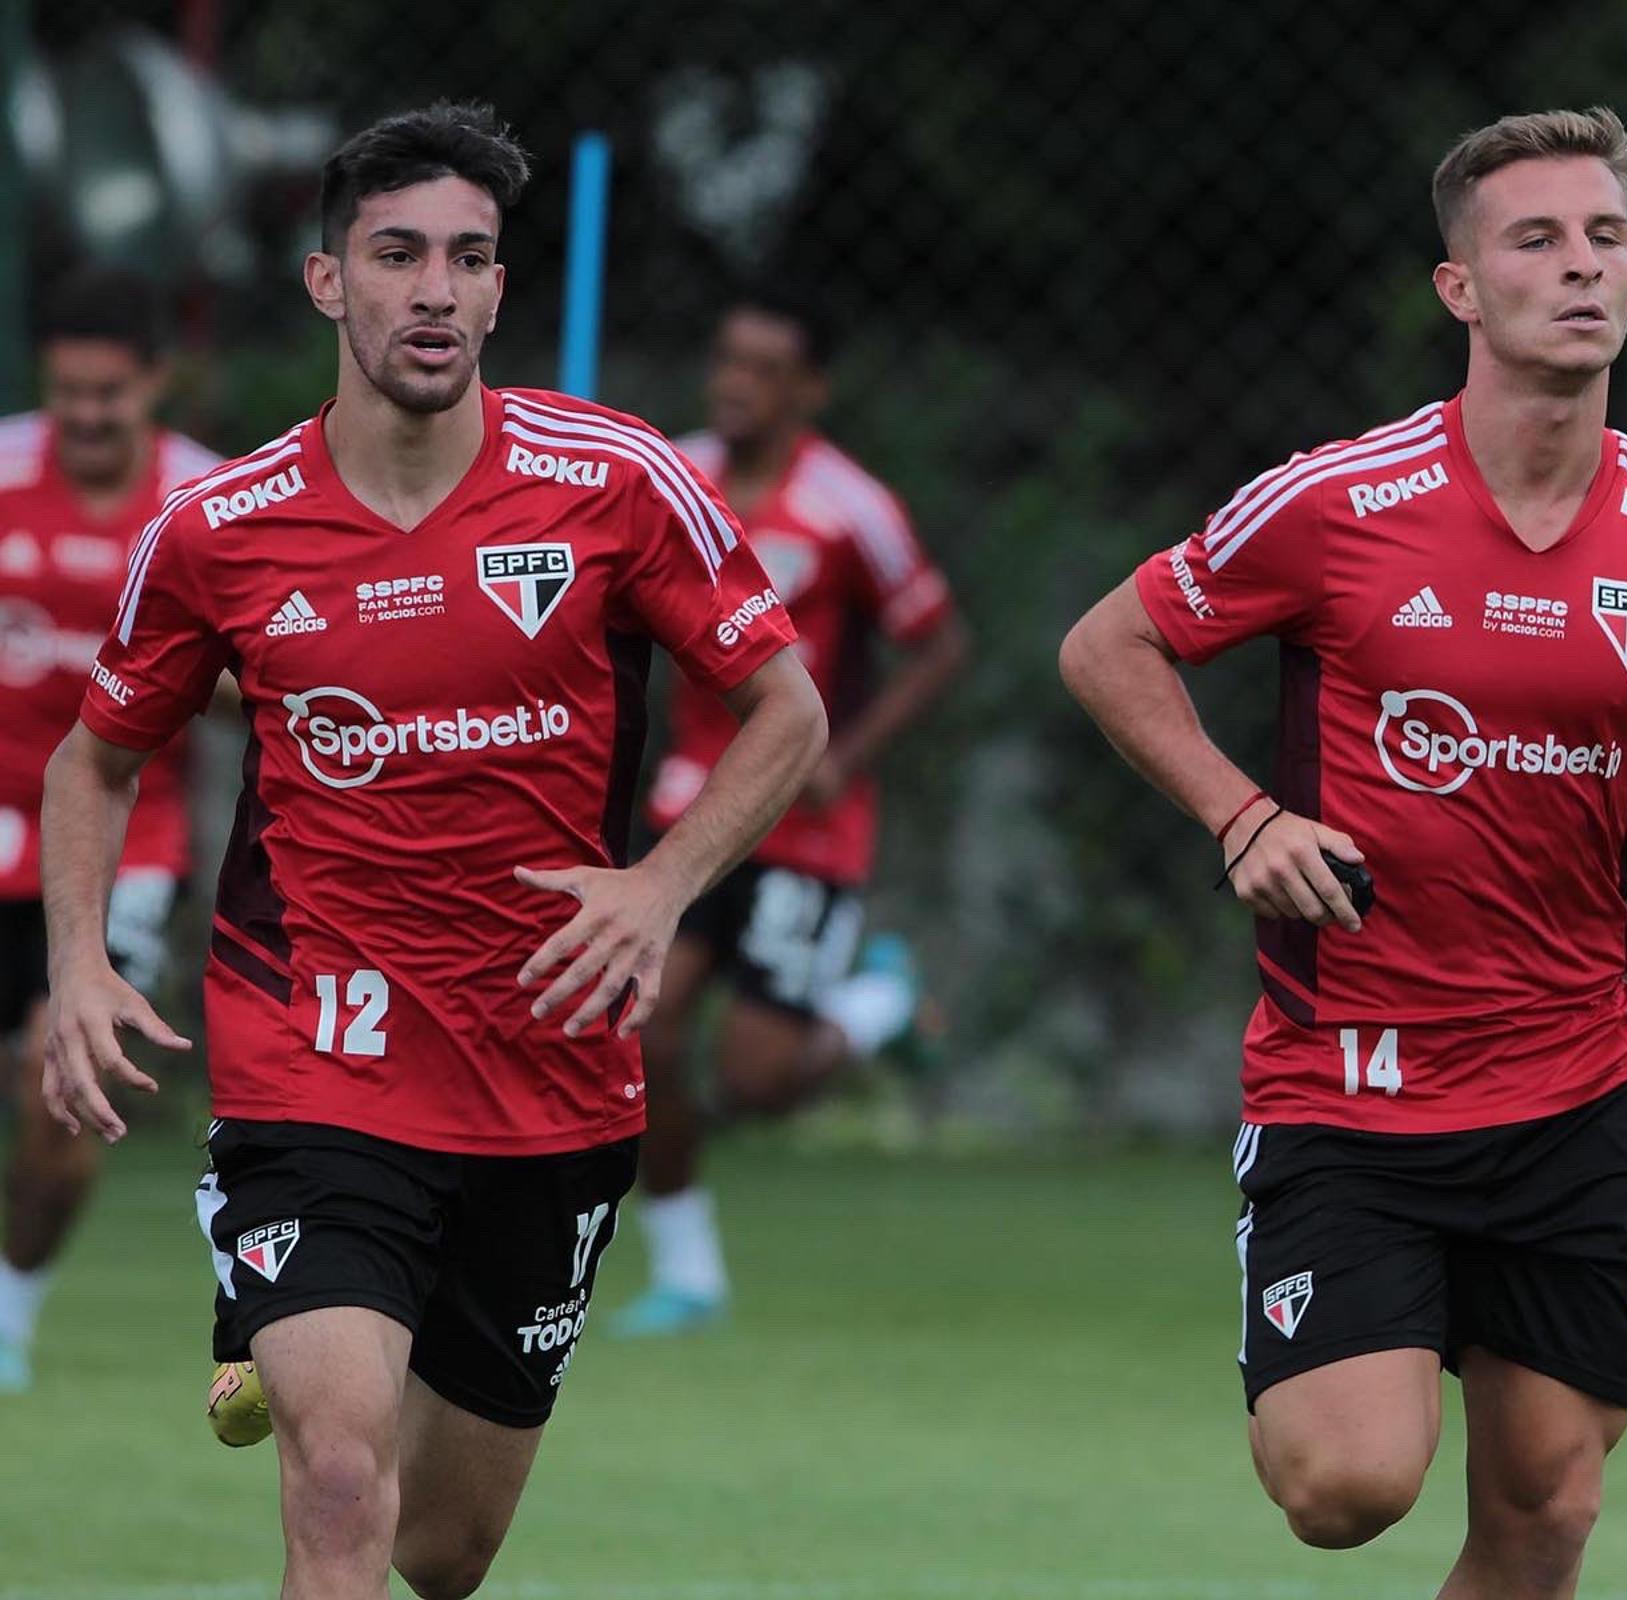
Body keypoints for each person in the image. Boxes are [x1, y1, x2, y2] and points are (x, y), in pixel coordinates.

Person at [1058, 106, 1627, 1600]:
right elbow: (1109, 643)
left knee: (1546, 1508)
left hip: (1573, 1088)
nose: (1583, 269)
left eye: (1607, 237)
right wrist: (1242, 815)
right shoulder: (1338, 501)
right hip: (1352, 1085)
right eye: (1538, 240)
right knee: (1347, 1482)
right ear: (1461, 290)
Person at [39, 101, 825, 1600]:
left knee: (443, 1553)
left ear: (501, 290)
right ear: (329, 280)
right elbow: (100, 752)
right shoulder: (218, 528)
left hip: (551, 1069)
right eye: (396, 255)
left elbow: (783, 704)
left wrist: (662, 886)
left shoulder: (616, 479)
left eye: (468, 259)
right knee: (337, 1480)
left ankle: (291, 1335)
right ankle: (287, 1313)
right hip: (315, 1049)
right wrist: (79, 963)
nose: (435, 290)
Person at [610, 290, 967, 1337]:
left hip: (808, 827)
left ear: (808, 390)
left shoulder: (851, 507)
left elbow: (941, 645)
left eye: (763, 368)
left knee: (757, 1080)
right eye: (725, 359)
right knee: (639, 1028)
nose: (733, 383)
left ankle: (879, 1011)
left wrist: (841, 757)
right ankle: (688, 1272)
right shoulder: (667, 477)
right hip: (691, 805)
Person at [0, 269, 221, 1393]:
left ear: (155, 384)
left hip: (123, 845)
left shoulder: (206, 503)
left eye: (111, 394)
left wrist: (166, 677)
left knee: (69, 1088)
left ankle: (7, 1315)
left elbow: (268, 674)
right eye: (67, 391)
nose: (86, 415)